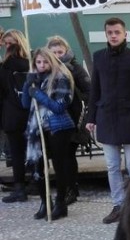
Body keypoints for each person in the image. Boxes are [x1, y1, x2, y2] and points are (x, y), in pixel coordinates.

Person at [86, 17, 130, 224]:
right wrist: (91, 117)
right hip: (107, 118)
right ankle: (118, 205)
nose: (113, 36)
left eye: (117, 32)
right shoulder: (99, 58)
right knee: (112, 166)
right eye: (110, 33)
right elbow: (95, 89)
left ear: (125, 34)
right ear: (106, 35)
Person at [21, 48, 75, 220]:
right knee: (37, 166)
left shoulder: (61, 78)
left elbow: (59, 107)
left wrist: (38, 94)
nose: (42, 65)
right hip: (37, 128)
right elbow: (24, 104)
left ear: (51, 61)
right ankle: (45, 202)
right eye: (38, 62)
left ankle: (61, 204)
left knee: (59, 166)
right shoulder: (34, 78)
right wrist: (27, 84)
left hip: (57, 127)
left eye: (45, 62)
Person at [46, 35, 91, 205]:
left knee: (67, 155)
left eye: (60, 51)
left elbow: (89, 90)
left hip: (73, 118)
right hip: (52, 119)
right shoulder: (46, 68)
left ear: (66, 51)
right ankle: (64, 189)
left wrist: (78, 103)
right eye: (53, 52)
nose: (57, 55)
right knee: (58, 156)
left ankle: (71, 189)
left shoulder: (74, 68)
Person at [0, 29, 30, 203]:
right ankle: (36, 182)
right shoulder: (31, 64)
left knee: (17, 153)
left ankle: (20, 188)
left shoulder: (4, 67)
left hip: (12, 115)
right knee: (35, 151)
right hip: (31, 114)